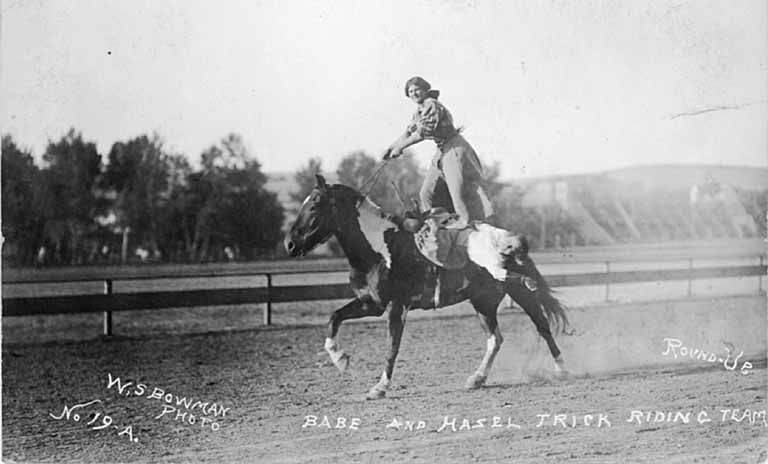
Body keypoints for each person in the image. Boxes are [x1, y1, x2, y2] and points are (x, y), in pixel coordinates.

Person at [382, 76, 493, 226]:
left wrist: (400, 148)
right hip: (441, 150)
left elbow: (423, 133)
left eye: (417, 90)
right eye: (410, 91)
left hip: (454, 148)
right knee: (426, 193)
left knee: (457, 191)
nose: (414, 93)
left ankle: (464, 223)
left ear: (425, 90)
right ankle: (433, 225)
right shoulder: (419, 111)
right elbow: (407, 133)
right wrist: (390, 148)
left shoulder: (431, 105)